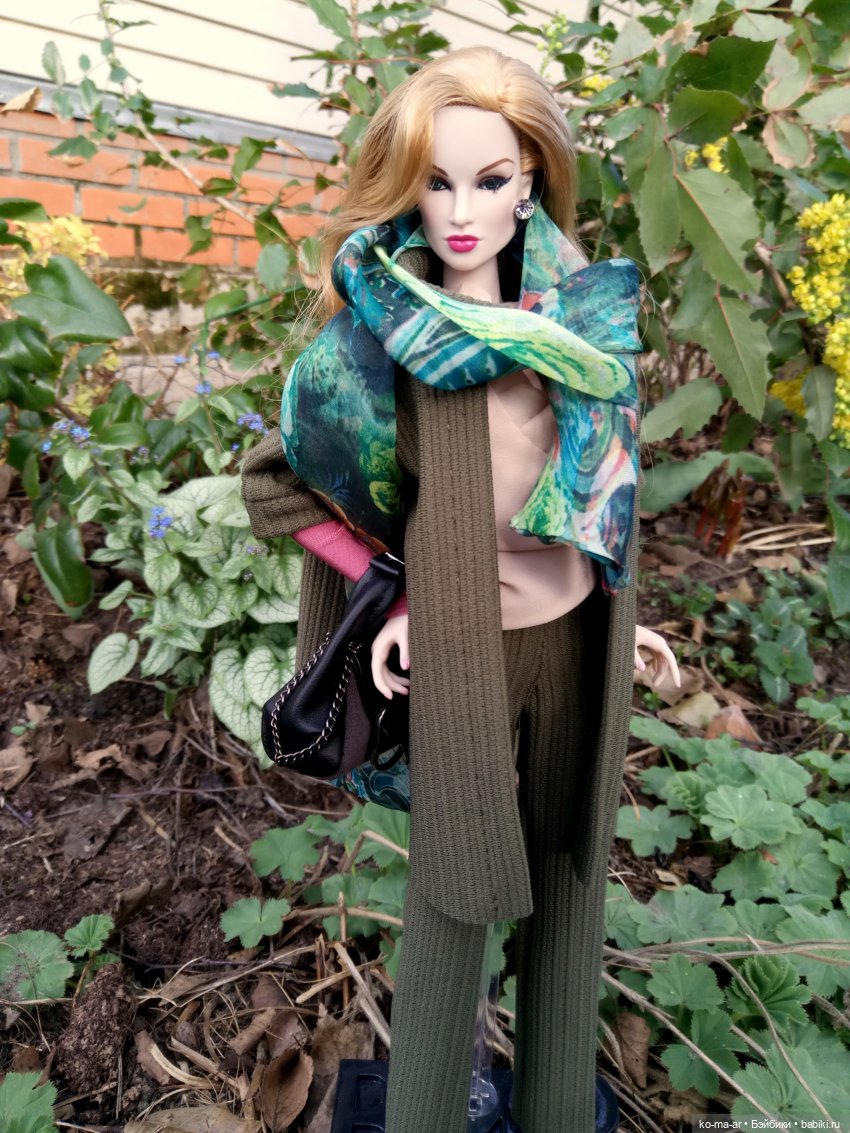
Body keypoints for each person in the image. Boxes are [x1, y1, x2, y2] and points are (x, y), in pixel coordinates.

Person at [241, 46, 679, 1133]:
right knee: (453, 895)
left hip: (574, 644)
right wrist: (389, 597)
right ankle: (429, 1109)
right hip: (461, 654)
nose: (462, 210)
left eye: (490, 179)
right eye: (437, 182)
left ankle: (556, 1109)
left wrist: (628, 624)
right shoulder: (383, 344)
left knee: (570, 882)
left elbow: (603, 496)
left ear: (530, 181)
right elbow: (279, 486)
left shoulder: (584, 322)